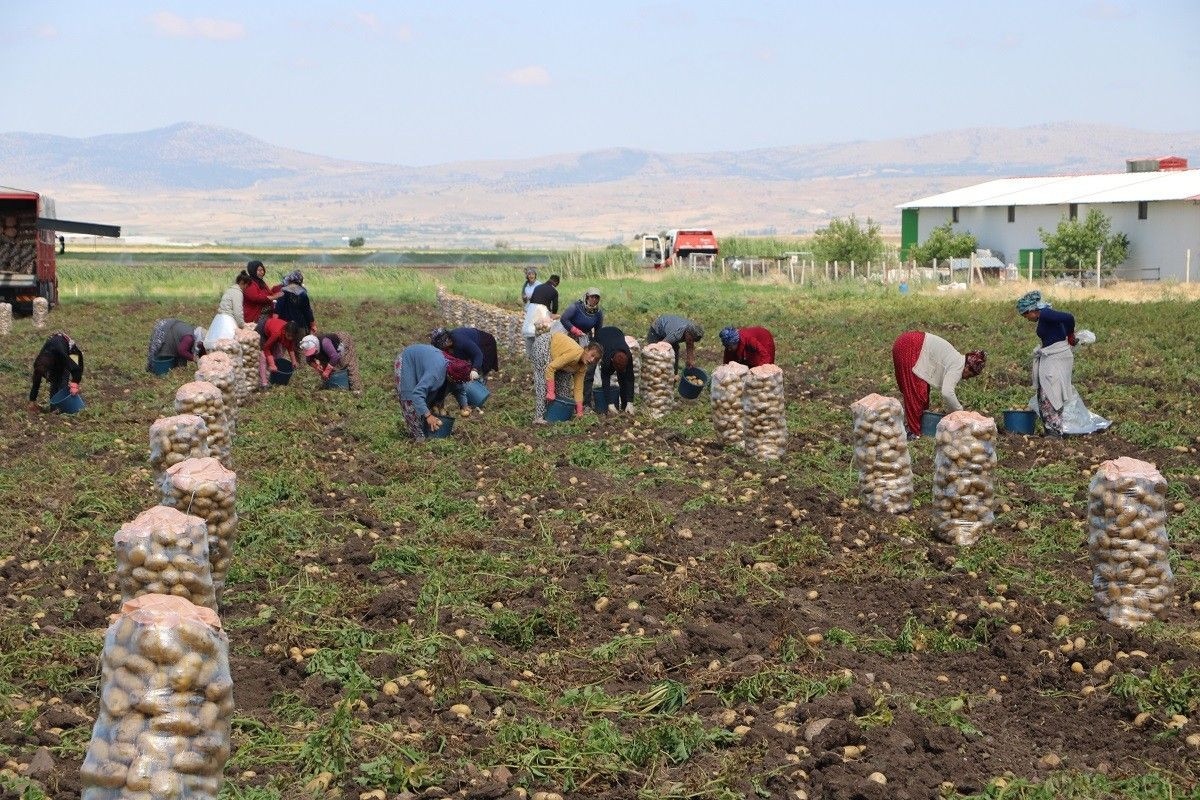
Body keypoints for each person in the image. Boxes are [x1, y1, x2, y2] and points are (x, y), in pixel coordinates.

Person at [1017, 290, 1108, 436]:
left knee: (1050, 392)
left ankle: (1054, 430)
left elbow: (1068, 317)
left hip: (1057, 358)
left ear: (1031, 310)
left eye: (1025, 315)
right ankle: (1052, 429)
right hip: (1054, 356)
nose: (1026, 318)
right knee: (1047, 391)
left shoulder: (1045, 313)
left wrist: (1070, 334)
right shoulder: (1045, 316)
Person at [892, 331, 986, 438]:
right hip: (911, 346)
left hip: (908, 342)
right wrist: (960, 413)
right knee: (916, 392)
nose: (967, 379)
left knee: (921, 391)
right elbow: (947, 393)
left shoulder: (955, 359)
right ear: (968, 367)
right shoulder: (958, 366)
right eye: (970, 375)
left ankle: (919, 426)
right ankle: (914, 432)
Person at [394, 343, 473, 441]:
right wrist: (428, 416)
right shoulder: (435, 374)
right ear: (450, 377)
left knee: (430, 399)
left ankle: (426, 430)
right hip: (407, 360)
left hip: (425, 360)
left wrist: (464, 405)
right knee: (409, 401)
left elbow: (459, 389)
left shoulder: (454, 369)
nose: (457, 384)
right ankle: (418, 437)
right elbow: (417, 394)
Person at [542, 332, 603, 421]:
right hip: (547, 343)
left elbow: (578, 388)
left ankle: (554, 417)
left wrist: (579, 410)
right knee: (543, 384)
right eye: (592, 355)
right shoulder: (574, 353)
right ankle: (539, 417)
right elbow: (551, 368)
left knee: (563, 391)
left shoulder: (583, 367)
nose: (592, 360)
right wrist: (551, 391)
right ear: (586, 350)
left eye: (595, 359)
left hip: (559, 357)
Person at [585, 325, 636, 414]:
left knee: (623, 377)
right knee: (589, 373)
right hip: (600, 337)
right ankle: (586, 404)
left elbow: (630, 378)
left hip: (617, 332)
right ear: (612, 361)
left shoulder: (628, 356)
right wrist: (610, 403)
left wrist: (630, 401)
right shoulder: (607, 358)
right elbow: (605, 380)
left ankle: (625, 406)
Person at [28, 332, 83, 411]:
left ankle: (65, 408)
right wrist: (32, 400)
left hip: (70, 351)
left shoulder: (64, 356)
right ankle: (54, 409)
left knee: (63, 379)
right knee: (54, 381)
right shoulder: (38, 364)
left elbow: (77, 368)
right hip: (54, 351)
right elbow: (36, 381)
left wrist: (75, 383)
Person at [204, 272, 251, 347]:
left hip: (219, 319)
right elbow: (238, 312)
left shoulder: (230, 290)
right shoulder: (238, 293)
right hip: (228, 321)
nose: (246, 288)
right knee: (229, 345)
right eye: (246, 285)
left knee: (217, 344)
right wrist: (242, 325)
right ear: (242, 283)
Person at [433, 327, 498, 380]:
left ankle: (480, 390)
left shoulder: (460, 340)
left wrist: (475, 369)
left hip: (485, 344)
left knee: (478, 374)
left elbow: (478, 354)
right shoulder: (448, 347)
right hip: (471, 349)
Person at [258, 317, 303, 388]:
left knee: (278, 354)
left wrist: (294, 361)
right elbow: (266, 348)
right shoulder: (277, 333)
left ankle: (272, 377)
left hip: (274, 333)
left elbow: (290, 347)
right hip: (263, 329)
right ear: (284, 331)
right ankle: (263, 383)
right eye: (289, 336)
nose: (290, 338)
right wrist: (272, 364)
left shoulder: (290, 333)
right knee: (263, 356)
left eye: (292, 337)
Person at [242, 260, 281, 325]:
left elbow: (268, 293)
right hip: (254, 317)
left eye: (262, 270)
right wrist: (273, 297)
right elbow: (255, 297)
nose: (262, 272)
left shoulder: (261, 282)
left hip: (264, 316)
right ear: (253, 271)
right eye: (259, 270)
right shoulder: (249, 283)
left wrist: (280, 289)